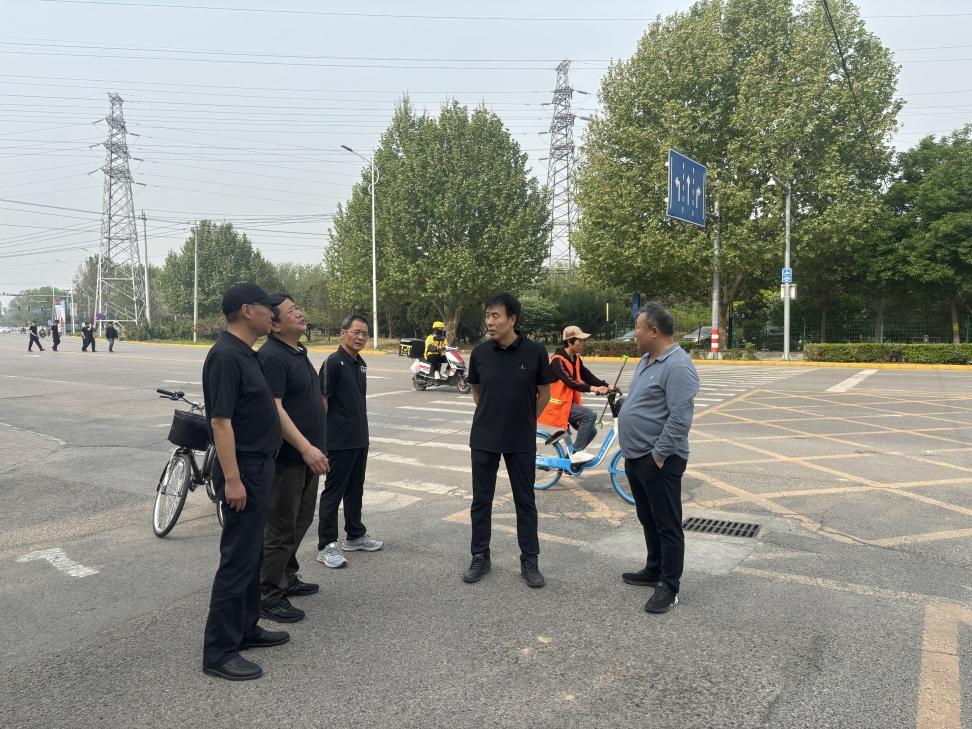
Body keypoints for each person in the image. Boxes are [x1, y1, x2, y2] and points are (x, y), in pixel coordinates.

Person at [201, 283, 287, 681]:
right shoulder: (225, 357)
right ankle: (219, 651)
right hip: (244, 471)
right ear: (247, 310)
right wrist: (233, 480)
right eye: (267, 308)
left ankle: (246, 627)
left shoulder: (246, 353)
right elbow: (221, 422)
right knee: (237, 559)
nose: (273, 314)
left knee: (252, 553)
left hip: (260, 466)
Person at [462, 293, 555, 588]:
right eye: (487, 316)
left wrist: (524, 420)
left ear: (512, 319)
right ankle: (480, 556)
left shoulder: (535, 352)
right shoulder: (480, 353)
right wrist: (494, 416)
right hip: (484, 437)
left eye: (496, 316)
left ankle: (530, 560)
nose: (489, 322)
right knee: (481, 500)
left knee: (525, 501)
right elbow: (477, 393)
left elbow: (545, 394)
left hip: (520, 438)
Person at [618, 303, 700, 615]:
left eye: (638, 328)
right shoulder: (645, 360)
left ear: (654, 331)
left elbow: (680, 419)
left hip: (659, 459)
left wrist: (659, 455)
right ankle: (654, 568)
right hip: (636, 455)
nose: (634, 334)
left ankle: (669, 585)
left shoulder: (678, 366)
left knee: (667, 523)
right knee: (647, 517)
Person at [256, 295, 329, 623]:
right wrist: (305, 448)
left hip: (308, 456)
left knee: (301, 520)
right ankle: (267, 595)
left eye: (297, 308)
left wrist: (320, 445)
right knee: (281, 527)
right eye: (291, 311)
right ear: (273, 325)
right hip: (288, 459)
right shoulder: (272, 356)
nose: (300, 313)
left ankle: (286, 575)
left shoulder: (297, 351)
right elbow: (275, 409)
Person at [316, 313, 384, 569]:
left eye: (365, 333)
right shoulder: (334, 362)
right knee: (333, 492)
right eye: (356, 332)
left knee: (356, 489)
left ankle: (355, 534)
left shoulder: (360, 363)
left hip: (358, 438)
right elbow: (322, 401)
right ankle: (326, 544)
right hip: (338, 440)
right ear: (343, 333)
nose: (361, 337)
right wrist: (322, 440)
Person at [538, 325, 616, 464]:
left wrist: (606, 385)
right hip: (557, 405)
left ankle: (570, 462)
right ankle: (576, 452)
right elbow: (571, 382)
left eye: (583, 341)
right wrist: (594, 389)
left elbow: (587, 376)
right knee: (589, 415)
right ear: (569, 342)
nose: (583, 343)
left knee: (592, 431)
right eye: (580, 341)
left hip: (567, 404)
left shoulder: (575, 359)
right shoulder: (558, 360)